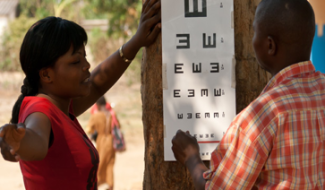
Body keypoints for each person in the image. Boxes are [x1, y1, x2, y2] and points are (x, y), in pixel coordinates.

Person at [0, 0, 161, 189]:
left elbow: (98, 84)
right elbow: (37, 140)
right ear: (46, 74)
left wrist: (137, 42)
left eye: (84, 57)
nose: (87, 65)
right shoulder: (40, 110)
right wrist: (19, 143)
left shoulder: (60, 108)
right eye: (76, 61)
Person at [172, 0, 325, 189]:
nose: (253, 39)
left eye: (254, 31)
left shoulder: (263, 115)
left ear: (270, 45)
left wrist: (191, 158)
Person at [86, 96, 121, 190]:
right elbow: (118, 126)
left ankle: (97, 184)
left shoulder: (96, 115)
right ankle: (110, 185)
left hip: (101, 141)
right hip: (111, 140)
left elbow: (89, 128)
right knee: (110, 163)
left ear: (97, 105)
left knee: (99, 164)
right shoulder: (112, 114)